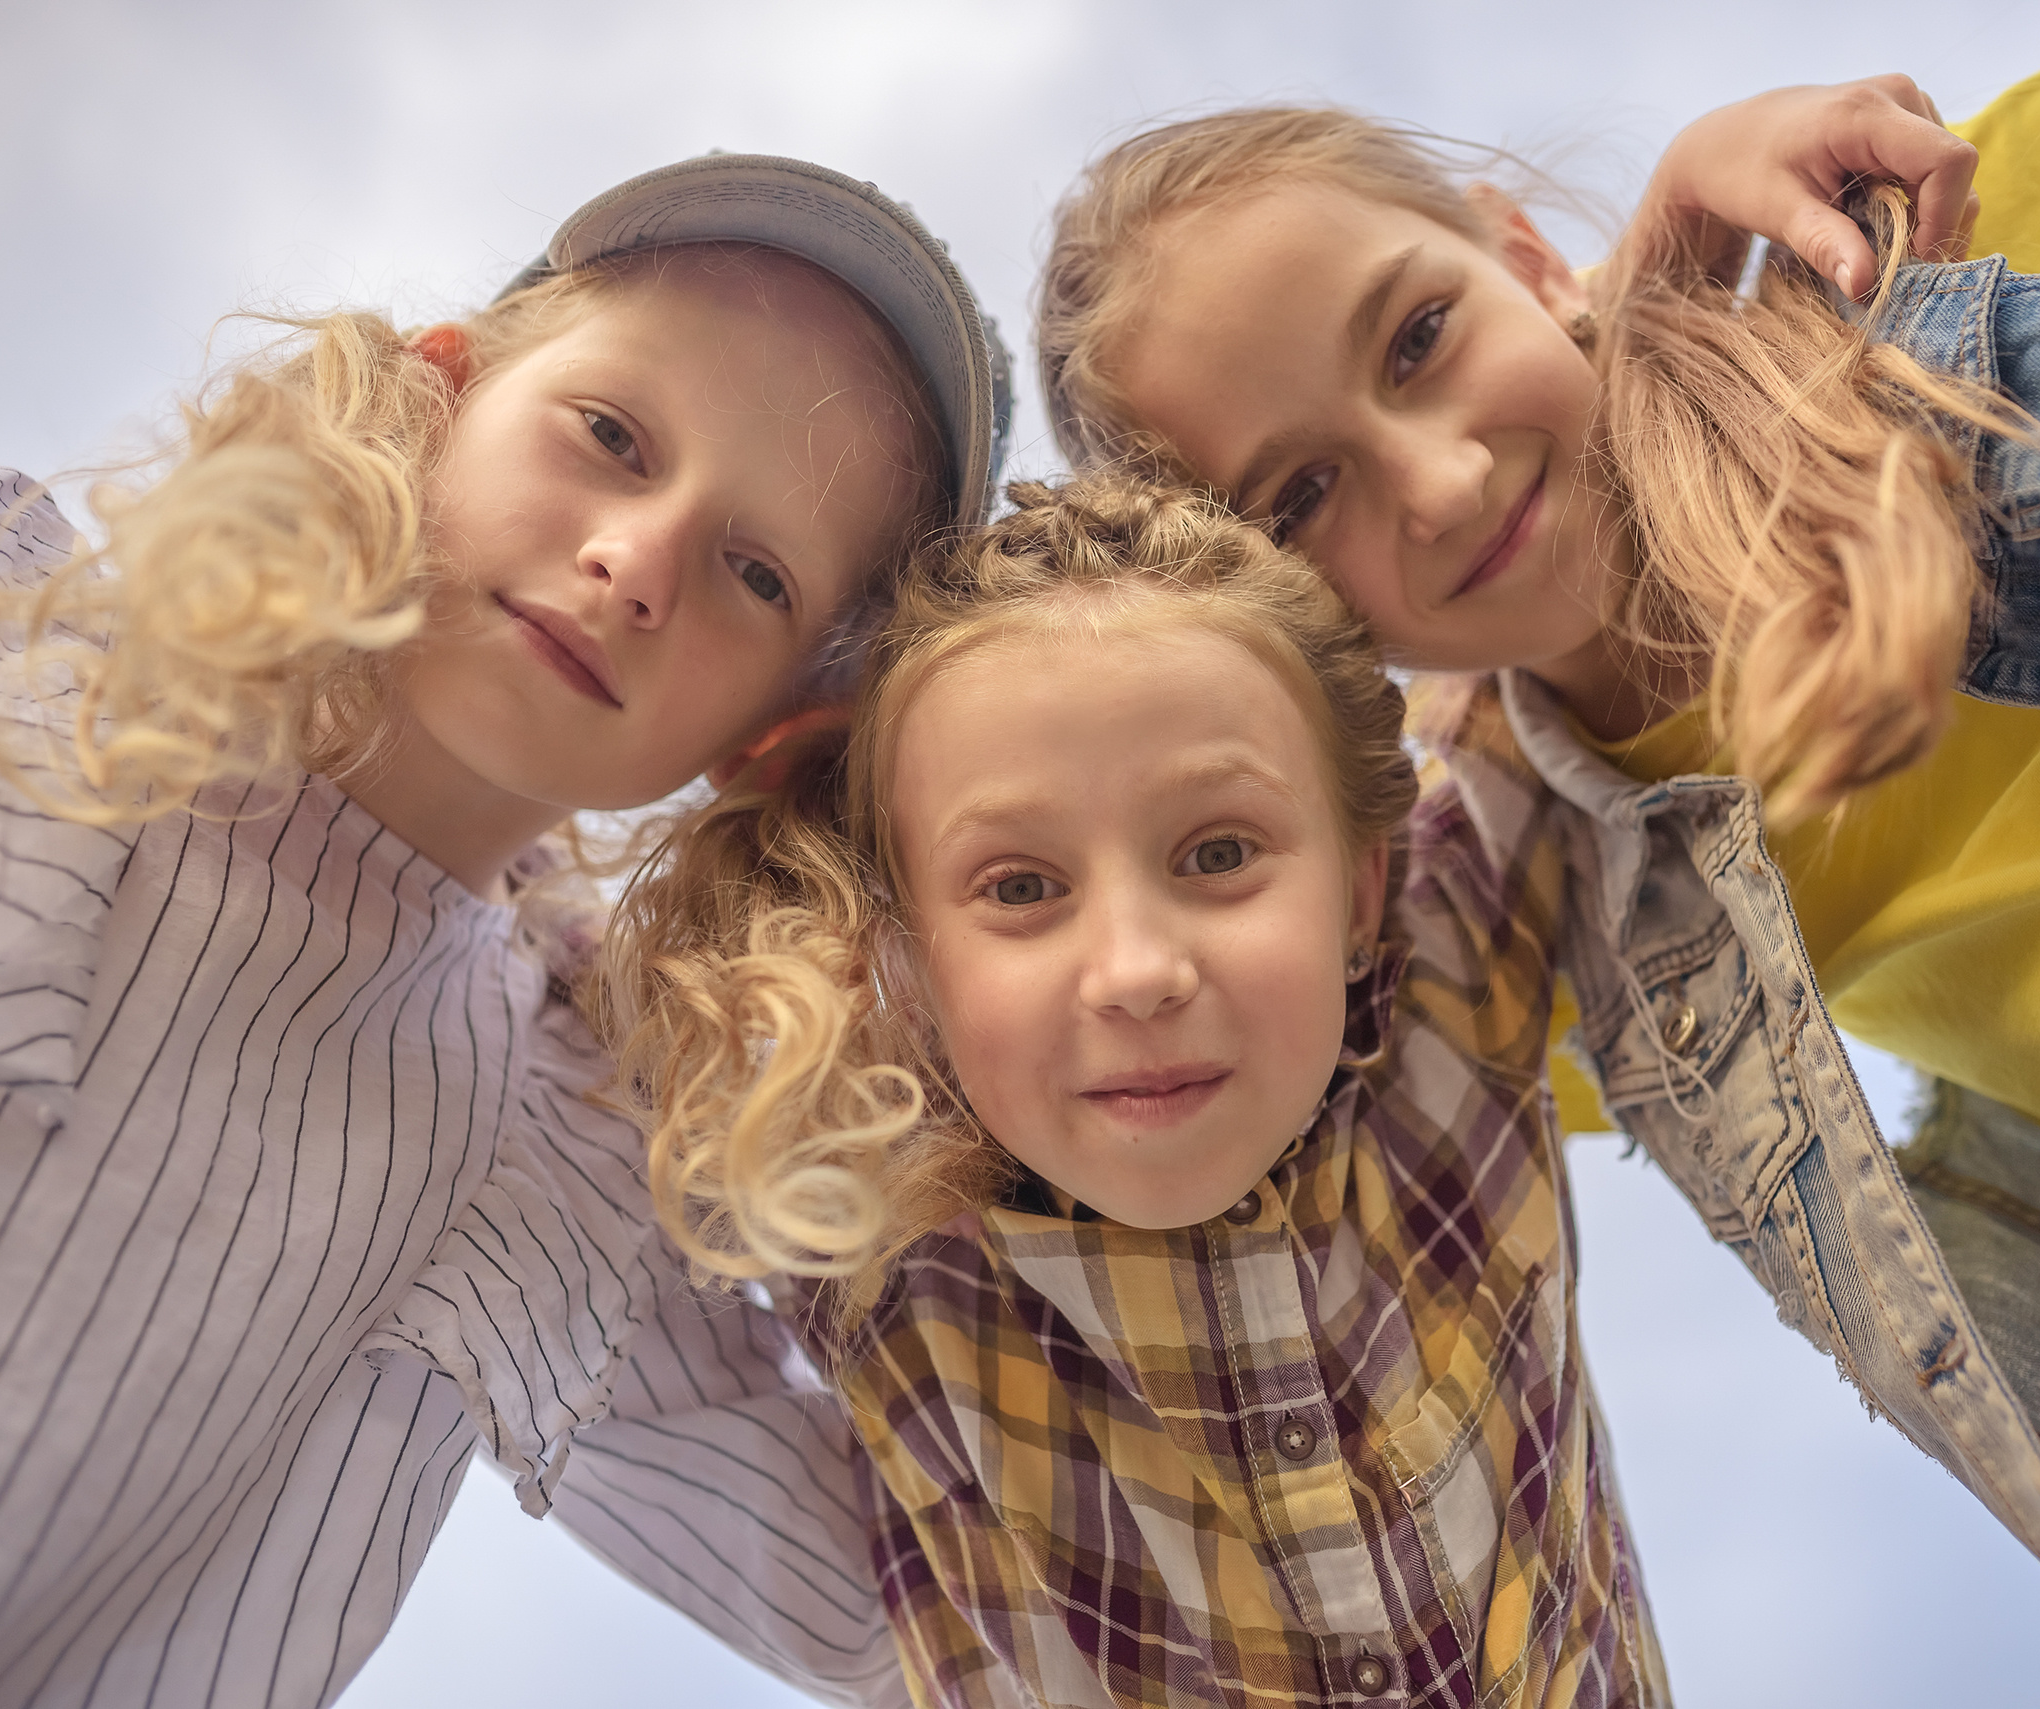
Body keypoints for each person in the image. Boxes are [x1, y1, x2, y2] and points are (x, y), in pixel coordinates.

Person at [1019, 3, 2040, 1704]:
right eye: (1298, 501)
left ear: (1520, 252)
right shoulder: (1541, 905)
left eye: (1420, 334)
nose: (1430, 481)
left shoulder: (1877, 288)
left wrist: (1679, 263)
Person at [0, 153, 1004, 1709]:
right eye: (613, 436)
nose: (638, 563)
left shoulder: (577, 1162)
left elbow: (936, 1633)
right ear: (441, 395)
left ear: (779, 735)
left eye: (756, 571)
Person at [604, 474, 1670, 1708]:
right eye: (1017, 887)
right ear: (901, 950)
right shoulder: (857, 1197)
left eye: (1218, 852)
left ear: (1365, 883)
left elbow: (1589, 556)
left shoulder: (1454, 966)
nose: (1137, 972)